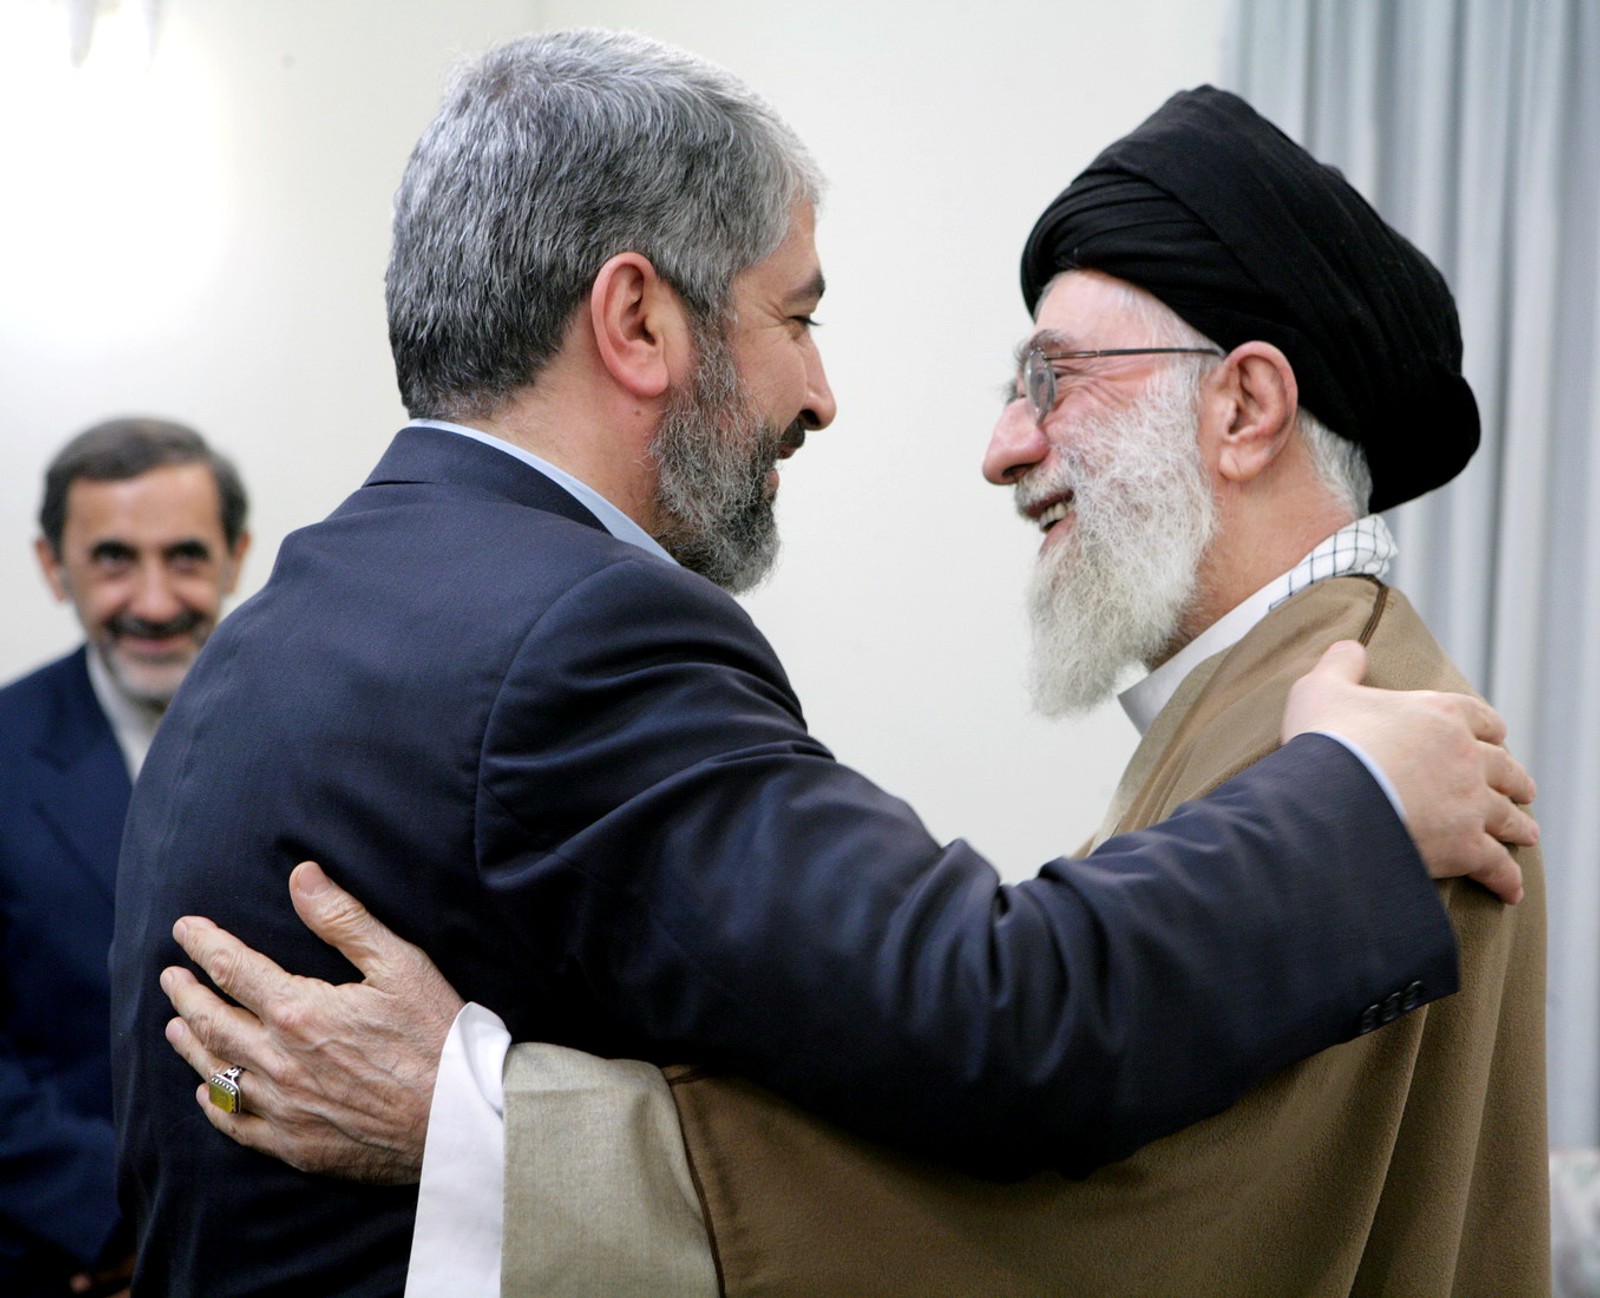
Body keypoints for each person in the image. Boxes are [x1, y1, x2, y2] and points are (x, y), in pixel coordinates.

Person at [116, 32, 1532, 1298]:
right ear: (638, 321)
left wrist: (479, 1120)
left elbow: (1140, 1223)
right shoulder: (1354, 768)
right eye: (795, 317)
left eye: (1051, 379)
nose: (995, 445)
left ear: (1245, 405)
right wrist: (1346, 799)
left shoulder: (296, 610)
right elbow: (1001, 1020)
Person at [0, 418, 249, 1297]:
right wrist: (116, 1218)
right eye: (113, 560)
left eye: (185, 557)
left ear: (235, 556)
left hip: (280, 1243)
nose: (153, 600)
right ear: (52, 566)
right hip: (64, 1258)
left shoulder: (329, 736)